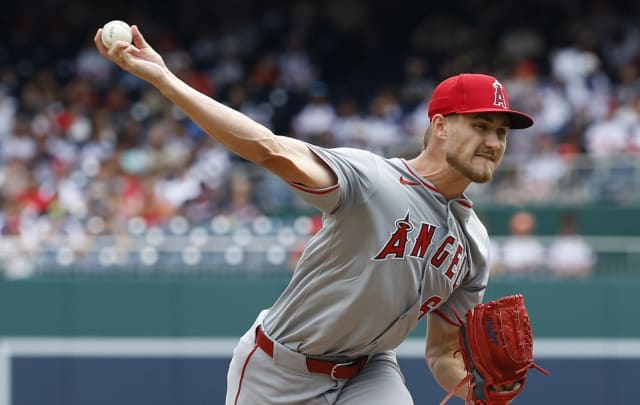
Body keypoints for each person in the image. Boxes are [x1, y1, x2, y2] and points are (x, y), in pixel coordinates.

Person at [94, 25, 535, 405]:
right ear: (439, 125)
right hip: (279, 368)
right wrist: (165, 79)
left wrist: (478, 388)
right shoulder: (372, 179)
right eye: (480, 126)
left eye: (500, 132)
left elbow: (441, 354)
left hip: (369, 371)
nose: (494, 142)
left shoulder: (472, 242)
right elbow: (268, 147)